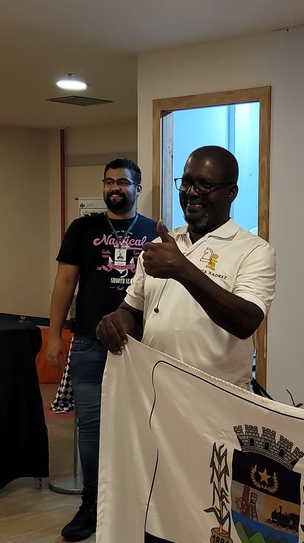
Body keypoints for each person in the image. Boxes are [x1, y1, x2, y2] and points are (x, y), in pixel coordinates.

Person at [97, 145, 276, 389]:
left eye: (204, 185)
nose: (191, 192)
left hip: (218, 396)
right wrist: (117, 323)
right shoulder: (160, 246)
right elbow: (133, 311)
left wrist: (182, 269)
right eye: (187, 183)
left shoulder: (253, 250)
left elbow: (245, 322)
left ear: (231, 193)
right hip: (156, 390)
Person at [48, 158, 159, 542]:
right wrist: (54, 336)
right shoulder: (83, 229)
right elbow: (65, 283)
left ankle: (137, 503)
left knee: (144, 425)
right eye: (109, 182)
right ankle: (92, 504)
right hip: (89, 343)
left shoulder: (154, 233)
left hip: (142, 348)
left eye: (123, 182)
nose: (115, 188)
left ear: (137, 188)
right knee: (91, 428)